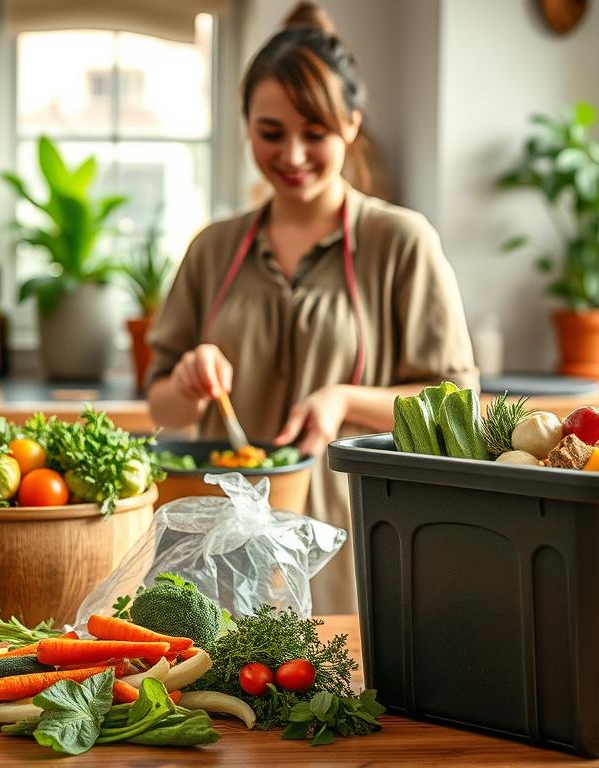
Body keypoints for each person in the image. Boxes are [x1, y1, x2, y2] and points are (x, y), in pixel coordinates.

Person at [145, 1, 477, 614]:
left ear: (351, 125)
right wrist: (189, 379)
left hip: (349, 551)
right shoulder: (213, 248)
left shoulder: (401, 242)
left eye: (315, 133)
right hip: (221, 556)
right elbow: (160, 402)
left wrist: (345, 400)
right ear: (245, 125)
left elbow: (456, 406)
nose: (293, 156)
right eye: (271, 133)